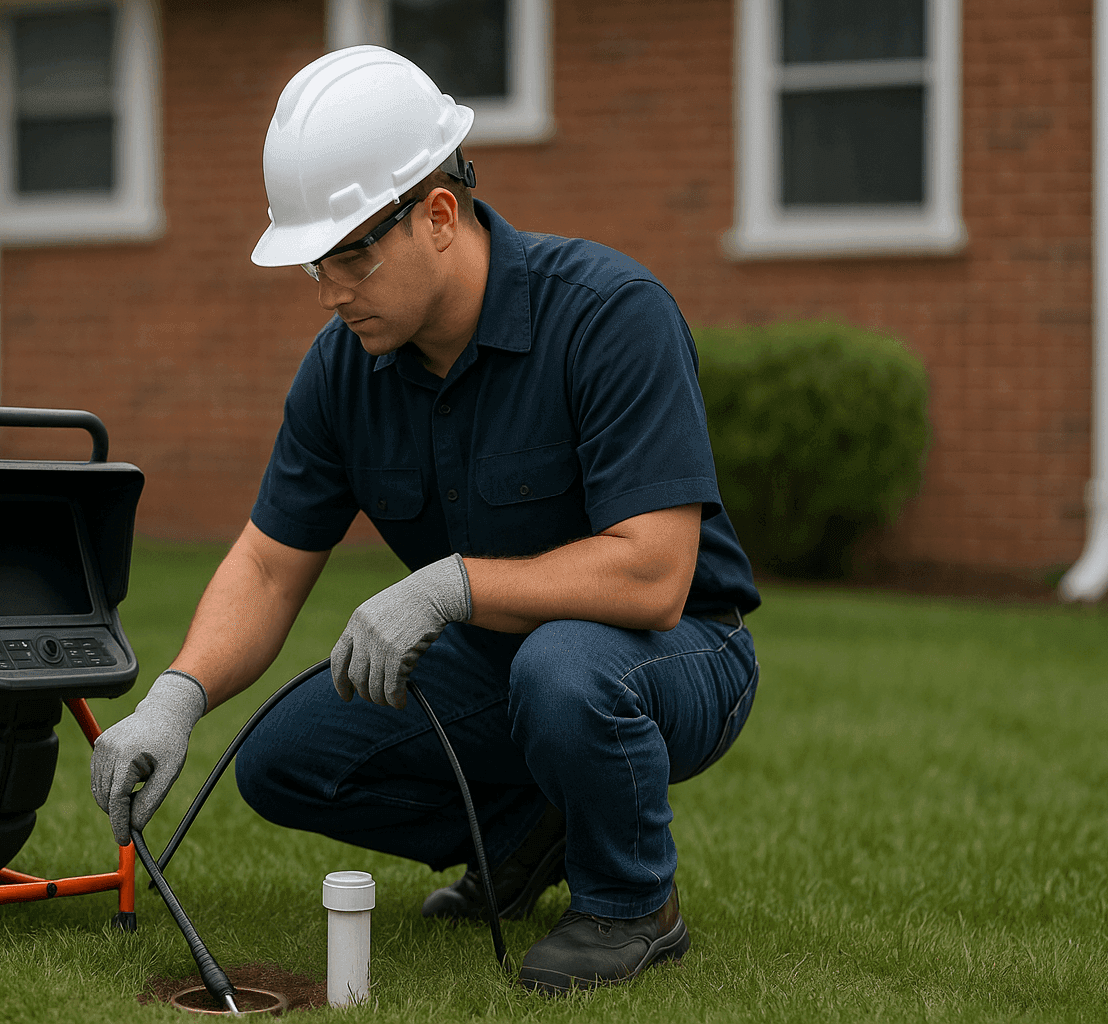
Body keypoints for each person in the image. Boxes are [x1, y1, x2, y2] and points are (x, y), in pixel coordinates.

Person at [90, 45, 761, 994]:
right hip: (503, 660)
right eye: (315, 263)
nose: (330, 291)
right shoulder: (343, 367)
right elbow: (272, 564)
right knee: (284, 761)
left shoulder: (611, 316)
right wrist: (178, 696)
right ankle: (531, 835)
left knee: (564, 667)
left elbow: (654, 576)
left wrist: (452, 585)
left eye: (353, 253)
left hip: (681, 651)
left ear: (438, 215)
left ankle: (629, 905)